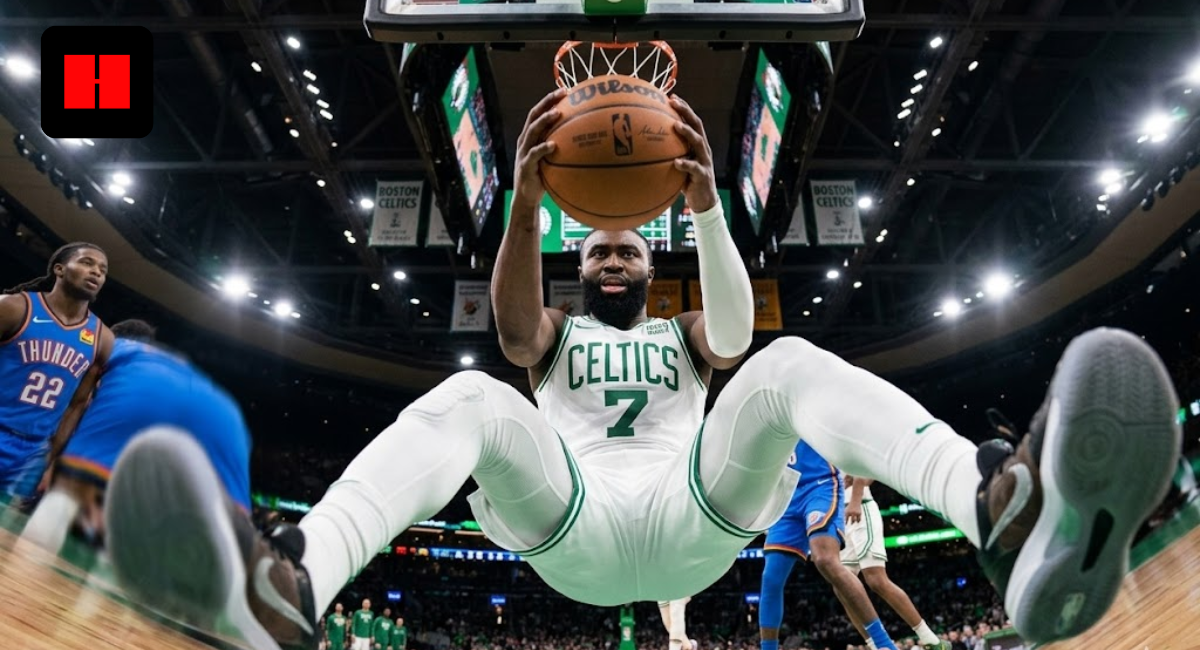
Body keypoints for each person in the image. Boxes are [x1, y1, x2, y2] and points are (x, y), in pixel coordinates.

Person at [102, 87, 1181, 650]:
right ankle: (296, 582)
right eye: (602, 250)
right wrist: (527, 205)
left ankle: (1000, 507)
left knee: (787, 356)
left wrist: (707, 203)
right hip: (569, 520)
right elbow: (519, 331)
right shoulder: (559, 328)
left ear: (646, 259)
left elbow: (732, 332)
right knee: (480, 389)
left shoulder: (683, 327)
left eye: (628, 247)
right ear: (586, 265)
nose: (615, 255)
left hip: (696, 516)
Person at [20, 319, 252, 553]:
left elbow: (77, 405)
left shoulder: (110, 348)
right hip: (222, 415)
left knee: (60, 505)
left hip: (136, 408)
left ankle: (28, 565)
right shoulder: (165, 362)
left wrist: (53, 466)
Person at [0, 242, 113, 502]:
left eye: (103, 270)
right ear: (60, 269)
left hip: (32, 451)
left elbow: (76, 404)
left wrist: (52, 458)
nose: (96, 272)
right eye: (87, 263)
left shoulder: (101, 337)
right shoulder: (14, 307)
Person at [759, 442, 898, 650]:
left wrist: (856, 495)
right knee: (770, 578)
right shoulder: (762, 414)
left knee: (825, 560)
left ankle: (883, 644)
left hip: (820, 484)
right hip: (786, 494)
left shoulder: (810, 410)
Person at [839, 475, 942, 649]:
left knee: (876, 580)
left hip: (861, 509)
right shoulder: (816, 450)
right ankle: (875, 645)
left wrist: (856, 498)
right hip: (838, 516)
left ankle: (931, 640)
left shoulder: (849, 448)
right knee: (842, 587)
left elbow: (867, 473)